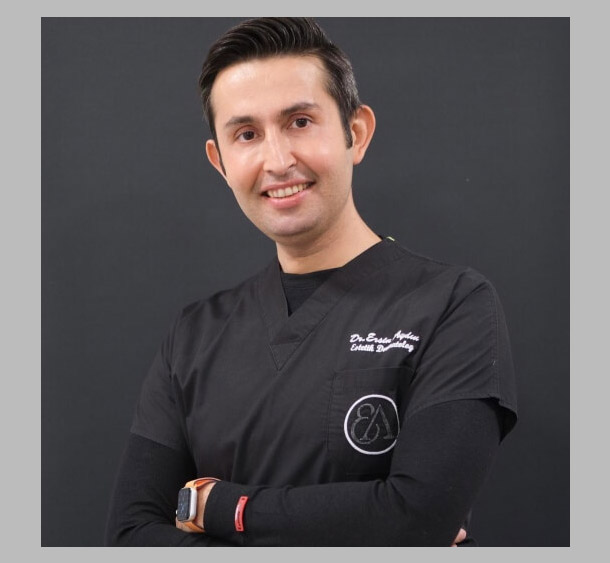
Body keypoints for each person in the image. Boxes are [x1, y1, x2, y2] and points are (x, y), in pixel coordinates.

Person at [105, 17, 517, 547]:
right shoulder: (194, 336)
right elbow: (130, 537)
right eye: (247, 135)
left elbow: (416, 519)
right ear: (220, 163)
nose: (278, 161)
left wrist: (221, 508)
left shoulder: (451, 305)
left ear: (356, 133)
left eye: (300, 122)